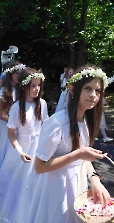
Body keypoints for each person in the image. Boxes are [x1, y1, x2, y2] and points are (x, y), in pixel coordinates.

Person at [25, 66, 111, 223]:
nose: (93, 95)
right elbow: (39, 166)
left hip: (76, 187)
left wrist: (95, 180)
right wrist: (77, 154)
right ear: (72, 90)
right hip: (55, 190)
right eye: (87, 88)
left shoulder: (84, 121)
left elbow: (83, 159)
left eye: (97, 91)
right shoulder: (56, 123)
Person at [0, 67, 48, 223]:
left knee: (34, 186)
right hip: (21, 151)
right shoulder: (16, 108)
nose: (37, 89)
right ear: (24, 87)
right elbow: (11, 134)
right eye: (33, 85)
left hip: (38, 150)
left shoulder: (42, 104)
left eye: (39, 85)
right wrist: (20, 152)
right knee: (16, 185)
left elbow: (45, 126)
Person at [0, 61, 26, 180]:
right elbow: (1, 114)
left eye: (20, 73)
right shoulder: (4, 91)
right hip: (6, 126)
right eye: (16, 73)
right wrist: (15, 123)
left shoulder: (20, 90)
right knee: (3, 150)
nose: (19, 76)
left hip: (16, 126)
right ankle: (0, 178)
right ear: (10, 75)